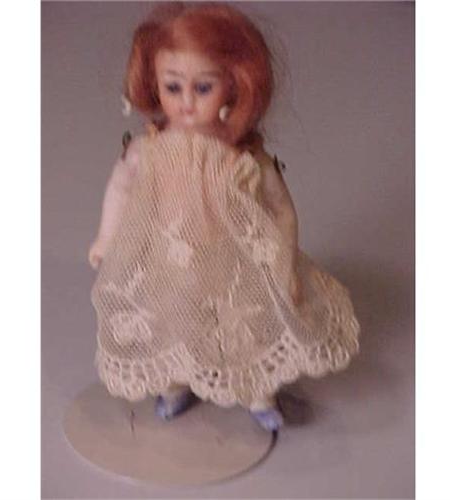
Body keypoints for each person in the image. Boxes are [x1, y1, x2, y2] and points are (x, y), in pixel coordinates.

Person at [88, 2, 360, 432]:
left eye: (203, 87)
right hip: (171, 260)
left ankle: (257, 390)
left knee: (245, 328)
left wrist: (284, 264)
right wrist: (107, 238)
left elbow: (281, 211)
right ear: (154, 84)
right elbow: (121, 188)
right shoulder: (148, 151)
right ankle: (175, 382)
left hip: (235, 261)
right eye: (173, 87)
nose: (187, 103)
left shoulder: (243, 157)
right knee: (172, 320)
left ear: (234, 85)